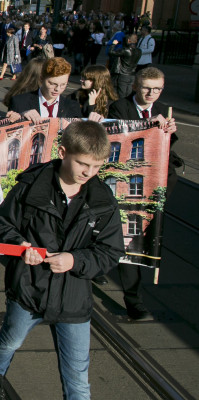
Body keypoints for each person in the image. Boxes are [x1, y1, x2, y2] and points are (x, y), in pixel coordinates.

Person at [0, 120, 125, 400]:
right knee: (10, 340)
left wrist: (75, 260)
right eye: (83, 164)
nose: (89, 172)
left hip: (73, 297)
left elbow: (110, 251)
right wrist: (20, 245)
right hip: (29, 288)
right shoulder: (31, 185)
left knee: (78, 378)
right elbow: (2, 223)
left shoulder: (102, 200)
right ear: (63, 152)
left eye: (97, 166)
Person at [107, 67, 180, 321]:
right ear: (136, 86)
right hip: (122, 184)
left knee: (134, 241)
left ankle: (132, 299)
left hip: (152, 188)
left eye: (157, 89)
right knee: (122, 238)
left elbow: (168, 146)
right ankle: (132, 300)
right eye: (147, 88)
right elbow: (121, 136)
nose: (151, 93)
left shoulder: (164, 109)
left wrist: (170, 130)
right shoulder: (119, 108)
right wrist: (149, 125)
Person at [6, 57, 82, 123]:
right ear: (41, 79)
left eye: (63, 84)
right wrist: (20, 117)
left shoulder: (72, 106)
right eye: (52, 84)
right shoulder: (20, 102)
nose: (57, 89)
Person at [108, 33, 141, 99]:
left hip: (123, 74)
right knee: (129, 93)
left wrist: (113, 44)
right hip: (132, 74)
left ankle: (121, 106)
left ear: (128, 40)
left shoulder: (125, 50)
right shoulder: (139, 51)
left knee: (121, 93)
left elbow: (111, 52)